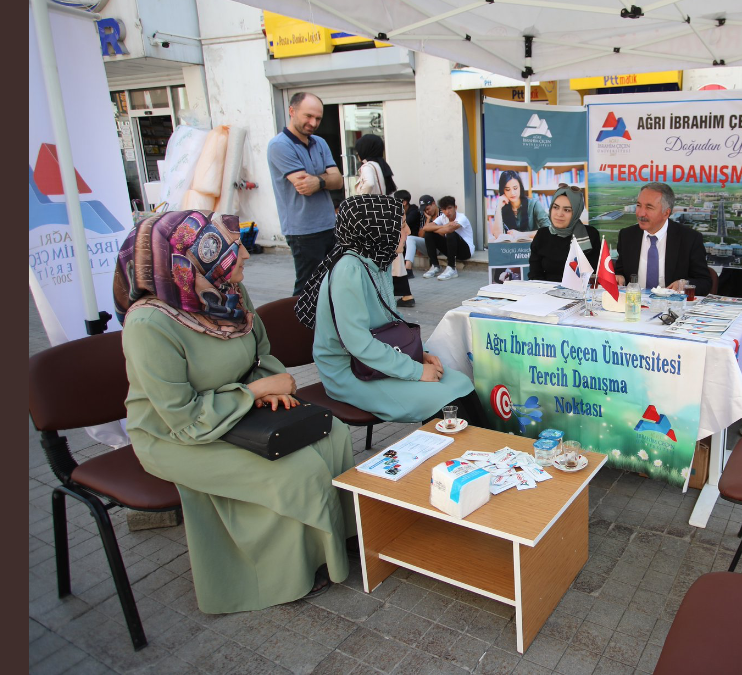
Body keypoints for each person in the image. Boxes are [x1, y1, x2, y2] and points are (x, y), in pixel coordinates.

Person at [116, 210, 356, 612]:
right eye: (230, 246)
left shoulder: (228, 292)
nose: (244, 252)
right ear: (189, 260)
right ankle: (286, 575)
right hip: (174, 435)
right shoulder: (149, 325)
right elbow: (182, 416)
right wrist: (255, 391)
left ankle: (334, 541)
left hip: (237, 408)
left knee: (335, 434)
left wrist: (267, 389)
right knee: (293, 471)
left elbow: (260, 353)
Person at [297, 194, 483, 424]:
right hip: (350, 371)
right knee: (442, 400)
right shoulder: (349, 271)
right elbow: (359, 344)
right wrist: (416, 371)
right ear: (377, 231)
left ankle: (489, 451)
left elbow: (392, 322)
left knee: (462, 383)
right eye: (401, 226)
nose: (407, 232)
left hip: (378, 358)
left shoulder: (378, 260)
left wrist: (420, 354)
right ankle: (461, 457)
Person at [267, 92, 344, 297]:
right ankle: (297, 328)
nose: (313, 122)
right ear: (292, 111)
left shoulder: (319, 142)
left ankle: (326, 327)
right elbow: (304, 186)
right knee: (307, 289)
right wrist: (325, 179)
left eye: (318, 118)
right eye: (308, 116)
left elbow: (338, 180)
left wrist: (318, 180)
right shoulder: (280, 145)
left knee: (332, 284)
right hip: (303, 230)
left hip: (329, 224)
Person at [613, 183, 711, 291]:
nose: (641, 213)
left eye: (649, 207)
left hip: (671, 305)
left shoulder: (689, 239)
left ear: (666, 213)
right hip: (635, 304)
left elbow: (704, 282)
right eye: (639, 205)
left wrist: (684, 284)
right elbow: (620, 271)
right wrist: (619, 277)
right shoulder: (627, 236)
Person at [528, 186, 602, 282]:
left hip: (580, 292)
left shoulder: (590, 235)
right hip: (546, 292)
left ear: (576, 212)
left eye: (567, 210)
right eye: (555, 207)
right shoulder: (542, 234)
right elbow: (535, 274)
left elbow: (594, 274)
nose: (559, 214)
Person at [422, 196, 475, 280]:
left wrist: (442, 228)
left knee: (450, 233)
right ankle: (435, 265)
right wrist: (445, 226)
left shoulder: (462, 218)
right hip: (451, 249)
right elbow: (425, 228)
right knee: (428, 233)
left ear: (455, 207)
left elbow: (449, 230)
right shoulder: (442, 217)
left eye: (449, 208)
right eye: (444, 209)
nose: (447, 212)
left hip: (465, 251)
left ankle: (452, 268)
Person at [490, 170, 549, 241]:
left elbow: (548, 230)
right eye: (508, 189)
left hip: (533, 248)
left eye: (515, 188)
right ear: (503, 191)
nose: (512, 193)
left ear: (520, 187)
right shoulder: (502, 206)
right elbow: (498, 236)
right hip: (510, 250)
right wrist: (498, 207)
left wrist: (521, 234)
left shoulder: (534, 204)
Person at [407, 194, 432, 273]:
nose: (427, 211)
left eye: (428, 208)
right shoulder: (424, 216)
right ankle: (408, 268)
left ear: (433, 204)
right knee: (410, 238)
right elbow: (421, 235)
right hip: (429, 245)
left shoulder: (442, 214)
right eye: (425, 210)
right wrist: (428, 220)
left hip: (440, 247)